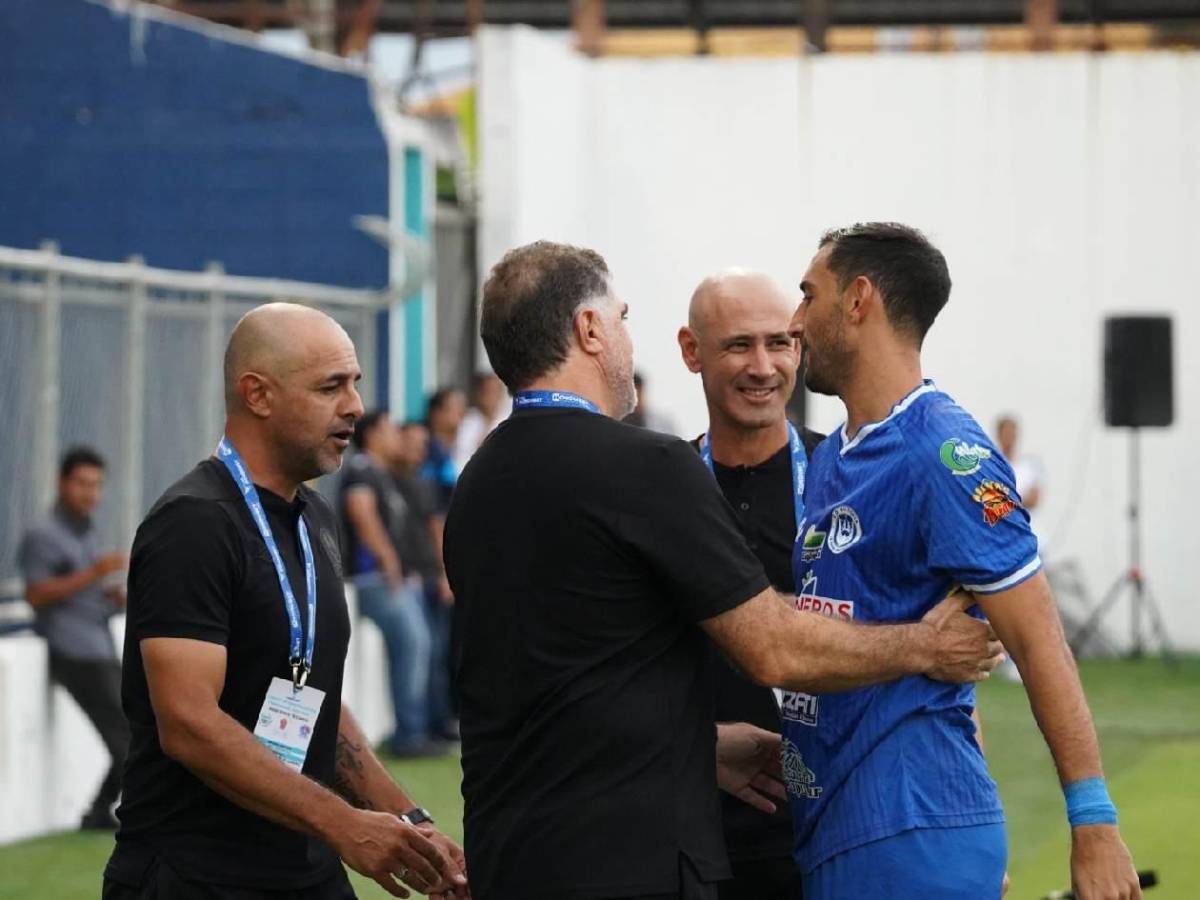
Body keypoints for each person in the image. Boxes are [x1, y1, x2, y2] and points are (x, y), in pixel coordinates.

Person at [443, 240, 1003, 900]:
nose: (763, 365)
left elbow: (565, 690)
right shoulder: (647, 468)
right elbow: (771, 647)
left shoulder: (473, 488)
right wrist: (925, 645)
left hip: (517, 856)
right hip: (642, 859)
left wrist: (698, 746)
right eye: (621, 318)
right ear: (590, 330)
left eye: (780, 342)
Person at [789, 222, 1139, 900]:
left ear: (858, 300)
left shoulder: (944, 452)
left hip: (911, 832)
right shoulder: (831, 457)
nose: (795, 321)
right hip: (842, 834)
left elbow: (1037, 641)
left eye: (809, 296)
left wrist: (1093, 822)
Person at [103, 302, 466, 900]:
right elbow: (189, 723)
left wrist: (411, 823)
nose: (354, 405)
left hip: (305, 867)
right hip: (197, 876)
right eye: (330, 387)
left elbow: (313, 699)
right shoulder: (194, 523)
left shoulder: (312, 518)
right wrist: (344, 824)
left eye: (354, 384)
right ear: (258, 394)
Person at [677, 269, 821, 900]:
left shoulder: (848, 478)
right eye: (739, 345)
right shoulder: (658, 489)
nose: (762, 366)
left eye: (779, 343)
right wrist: (698, 745)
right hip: (690, 832)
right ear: (692, 351)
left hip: (831, 825)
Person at [18, 445, 129, 830]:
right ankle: (101, 810)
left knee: (134, 732)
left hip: (99, 645)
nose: (90, 493)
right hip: (73, 651)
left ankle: (99, 810)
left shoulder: (88, 533)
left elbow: (85, 596)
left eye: (97, 485)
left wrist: (111, 597)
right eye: (82, 483)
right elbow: (35, 595)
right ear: (62, 483)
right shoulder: (43, 536)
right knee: (128, 739)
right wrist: (94, 573)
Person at [339, 410, 438, 757]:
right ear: (373, 436)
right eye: (390, 430)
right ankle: (409, 735)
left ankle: (414, 729)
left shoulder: (382, 474)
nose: (398, 436)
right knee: (413, 642)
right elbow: (360, 510)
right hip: (373, 579)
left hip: (386, 577)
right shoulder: (362, 469)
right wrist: (388, 558)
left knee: (419, 643)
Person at [392, 421, 457, 741]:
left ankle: (437, 721)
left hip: (431, 578)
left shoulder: (424, 485)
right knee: (426, 650)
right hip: (411, 579)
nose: (418, 450)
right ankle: (424, 726)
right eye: (412, 442)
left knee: (436, 652)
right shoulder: (389, 480)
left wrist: (444, 573)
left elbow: (436, 529)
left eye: (422, 444)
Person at [421, 388, 467, 514]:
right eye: (455, 407)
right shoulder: (425, 452)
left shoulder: (458, 448)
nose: (462, 412)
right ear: (437, 414)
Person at [453, 372, 507, 471]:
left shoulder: (508, 420)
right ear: (478, 394)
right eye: (486, 391)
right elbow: (461, 453)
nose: (490, 397)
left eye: (494, 391)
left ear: (500, 395)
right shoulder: (467, 420)